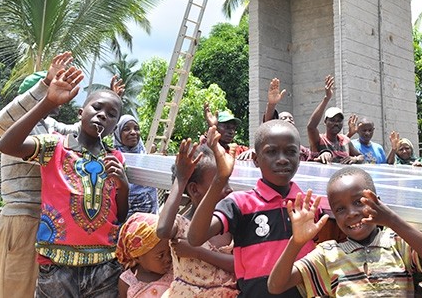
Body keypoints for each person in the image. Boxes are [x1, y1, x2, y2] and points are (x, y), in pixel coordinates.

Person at [0, 65, 129, 298]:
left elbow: (119, 217)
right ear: (80, 112)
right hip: (57, 264)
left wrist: (124, 185)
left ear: (114, 124)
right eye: (96, 108)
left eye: (111, 114)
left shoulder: (116, 158)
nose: (102, 115)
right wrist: (47, 102)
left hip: (104, 265)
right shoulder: (54, 145)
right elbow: (7, 146)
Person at [267, 166, 422, 296]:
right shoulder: (328, 254)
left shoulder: (396, 241)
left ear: (378, 202)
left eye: (359, 202)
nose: (352, 213)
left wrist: (391, 219)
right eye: (340, 209)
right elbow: (275, 286)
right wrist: (296, 242)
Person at [0, 52, 81, 298]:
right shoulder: (15, 126)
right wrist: (44, 84)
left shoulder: (49, 126)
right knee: (13, 291)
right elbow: (0, 121)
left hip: (46, 223)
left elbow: (79, 133)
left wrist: (109, 101)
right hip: (22, 220)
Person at [187, 120, 314, 297]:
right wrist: (220, 179)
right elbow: (195, 237)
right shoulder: (239, 203)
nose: (282, 159)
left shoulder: (310, 205)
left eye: (290, 151)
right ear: (255, 159)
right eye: (271, 152)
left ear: (299, 158)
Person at [157, 138, 238, 297]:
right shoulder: (181, 225)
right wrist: (181, 179)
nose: (229, 190)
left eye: (226, 181)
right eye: (220, 183)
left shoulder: (230, 223)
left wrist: (198, 252)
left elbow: (238, 265)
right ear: (194, 190)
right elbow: (162, 230)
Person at [307, 75, 363, 164]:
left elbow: (361, 156)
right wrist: (326, 98)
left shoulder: (345, 140)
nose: (336, 123)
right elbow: (311, 127)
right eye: (332, 120)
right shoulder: (318, 139)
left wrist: (354, 159)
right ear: (325, 122)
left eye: (339, 121)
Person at [115, 212, 173, 298]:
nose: (168, 259)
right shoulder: (128, 281)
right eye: (160, 256)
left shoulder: (175, 271)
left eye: (170, 252)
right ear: (138, 256)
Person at [114, 114, 158, 216]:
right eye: (126, 129)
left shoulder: (146, 159)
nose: (133, 132)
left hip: (148, 221)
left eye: (136, 128)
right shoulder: (114, 160)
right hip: (123, 222)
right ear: (117, 133)